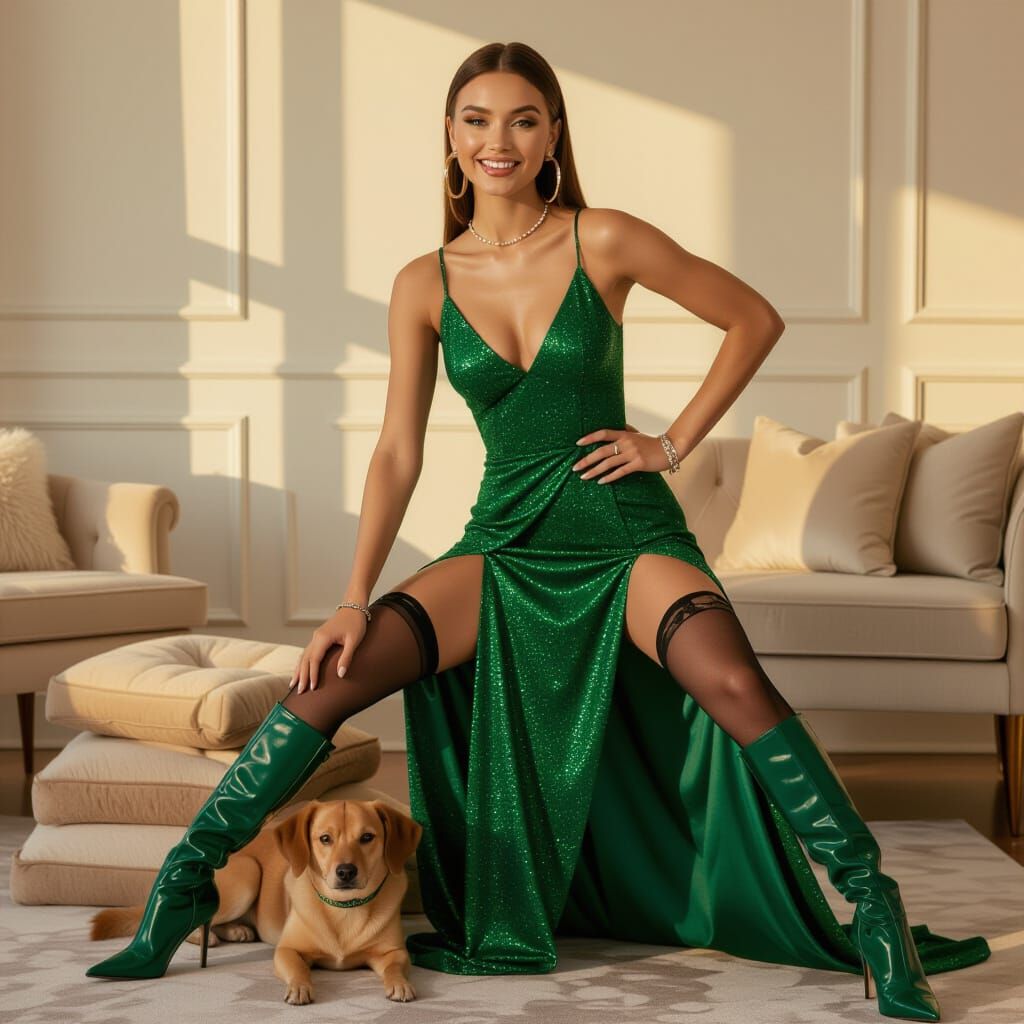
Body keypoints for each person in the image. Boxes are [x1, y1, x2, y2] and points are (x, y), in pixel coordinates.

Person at [86, 41, 990, 1020]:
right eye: (476, 119)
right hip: (502, 541)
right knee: (334, 673)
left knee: (732, 681)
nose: (498, 140)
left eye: (522, 118)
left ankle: (874, 908)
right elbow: (396, 449)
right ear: (450, 135)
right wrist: (352, 597)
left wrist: (671, 442)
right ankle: (181, 890)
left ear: (554, 131)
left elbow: (753, 318)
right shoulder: (421, 282)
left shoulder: (602, 238)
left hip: (625, 535)